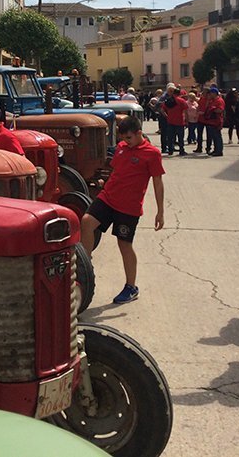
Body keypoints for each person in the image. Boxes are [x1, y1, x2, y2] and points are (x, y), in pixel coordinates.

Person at [80, 116, 165, 305]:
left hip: (129, 207)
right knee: (86, 222)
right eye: (123, 138)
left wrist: (160, 211)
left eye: (129, 138)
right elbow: (116, 170)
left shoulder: (152, 154)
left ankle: (131, 287)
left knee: (124, 244)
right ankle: (85, 267)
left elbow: (158, 183)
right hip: (108, 198)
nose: (126, 141)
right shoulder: (121, 148)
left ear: (139, 133)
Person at [197, 86, 225, 156]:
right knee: (214, 137)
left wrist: (212, 110)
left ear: (214, 93)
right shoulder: (212, 100)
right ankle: (215, 150)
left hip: (216, 121)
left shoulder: (219, 100)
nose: (209, 95)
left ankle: (219, 151)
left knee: (217, 137)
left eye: (210, 93)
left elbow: (220, 110)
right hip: (210, 121)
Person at [163, 86, 188, 156]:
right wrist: (187, 120)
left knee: (170, 137)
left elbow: (162, 109)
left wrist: (166, 116)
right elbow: (186, 111)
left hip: (170, 121)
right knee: (180, 137)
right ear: (179, 93)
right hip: (179, 121)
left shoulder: (168, 100)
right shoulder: (182, 101)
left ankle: (170, 150)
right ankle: (181, 150)